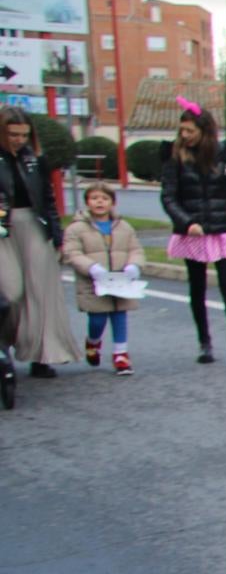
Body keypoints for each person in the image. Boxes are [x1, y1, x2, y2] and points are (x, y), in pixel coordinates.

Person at [160, 99, 226, 366]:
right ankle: (204, 343)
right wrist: (186, 223)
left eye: (190, 131)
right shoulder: (175, 157)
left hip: (222, 229)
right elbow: (168, 197)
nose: (185, 136)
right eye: (182, 131)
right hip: (193, 231)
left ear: (204, 131)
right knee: (197, 287)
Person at [0, 107, 81, 377]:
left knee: (41, 292)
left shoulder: (35, 161)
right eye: (13, 134)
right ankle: (6, 345)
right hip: (2, 229)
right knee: (10, 292)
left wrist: (57, 236)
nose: (19, 140)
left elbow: (48, 200)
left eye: (23, 135)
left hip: (35, 225)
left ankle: (41, 355)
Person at [61, 183, 144, 376]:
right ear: (87, 202)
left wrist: (134, 265)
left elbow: (136, 249)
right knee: (98, 318)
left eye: (105, 198)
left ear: (112, 203)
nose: (100, 202)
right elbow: (71, 252)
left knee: (119, 314)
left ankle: (120, 354)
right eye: (95, 198)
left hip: (121, 280)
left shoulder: (124, 227)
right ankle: (93, 341)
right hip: (94, 282)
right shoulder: (76, 228)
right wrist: (91, 267)